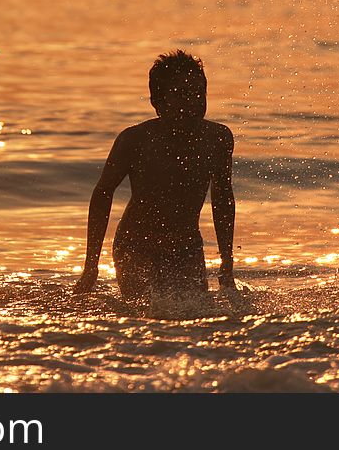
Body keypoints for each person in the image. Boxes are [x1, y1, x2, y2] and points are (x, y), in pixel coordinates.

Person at [73, 50, 236, 301]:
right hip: (135, 246)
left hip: (186, 248)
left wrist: (227, 261)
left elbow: (223, 197)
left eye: (198, 93)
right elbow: (103, 192)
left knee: (193, 320)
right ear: (157, 102)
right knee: (145, 314)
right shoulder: (135, 140)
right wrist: (90, 266)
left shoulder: (217, 139)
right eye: (182, 95)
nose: (192, 102)